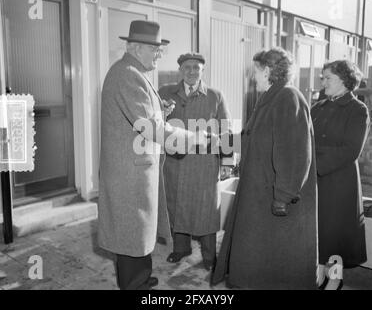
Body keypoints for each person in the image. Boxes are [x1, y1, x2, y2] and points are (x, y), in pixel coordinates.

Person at [98, 20, 208, 290]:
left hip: (135, 169)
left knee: (139, 233)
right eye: (154, 49)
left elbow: (142, 117)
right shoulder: (127, 74)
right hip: (129, 175)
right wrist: (192, 138)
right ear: (136, 48)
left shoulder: (131, 71)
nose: (159, 54)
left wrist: (161, 111)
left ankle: (142, 278)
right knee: (130, 235)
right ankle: (135, 285)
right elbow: (148, 127)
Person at [212, 47, 318, 290]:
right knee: (256, 265)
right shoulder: (270, 98)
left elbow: (295, 154)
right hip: (260, 195)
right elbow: (250, 139)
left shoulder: (288, 97)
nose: (253, 77)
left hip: (276, 201)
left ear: (268, 71)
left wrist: (282, 197)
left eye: (256, 71)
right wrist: (214, 141)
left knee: (272, 267)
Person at [158, 53, 234, 271]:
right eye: (187, 67)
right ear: (180, 70)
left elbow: (227, 130)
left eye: (196, 68)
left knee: (206, 210)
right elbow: (154, 122)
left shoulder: (215, 96)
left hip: (204, 164)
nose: (191, 71)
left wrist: (227, 162)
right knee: (177, 206)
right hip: (175, 163)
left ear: (203, 70)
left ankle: (209, 255)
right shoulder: (165, 92)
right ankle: (181, 249)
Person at [311, 60, 370, 290]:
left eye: (328, 78)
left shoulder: (358, 110)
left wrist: (315, 159)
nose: (322, 82)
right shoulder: (317, 107)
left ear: (345, 81)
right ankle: (318, 275)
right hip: (315, 181)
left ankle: (334, 280)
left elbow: (350, 150)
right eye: (322, 77)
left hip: (339, 184)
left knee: (335, 235)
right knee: (318, 233)